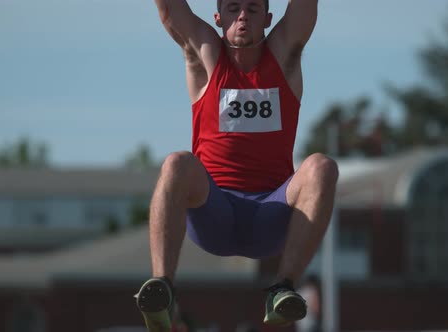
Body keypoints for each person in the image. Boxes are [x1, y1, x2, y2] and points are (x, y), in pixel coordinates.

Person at [135, 0, 338, 331]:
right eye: (233, 8)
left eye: (253, 9)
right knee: (176, 164)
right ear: (218, 18)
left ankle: (283, 288)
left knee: (322, 167)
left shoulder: (284, 55)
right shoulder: (206, 56)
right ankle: (163, 289)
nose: (243, 16)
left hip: (271, 216)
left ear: (268, 19)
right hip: (214, 211)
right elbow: (170, 10)